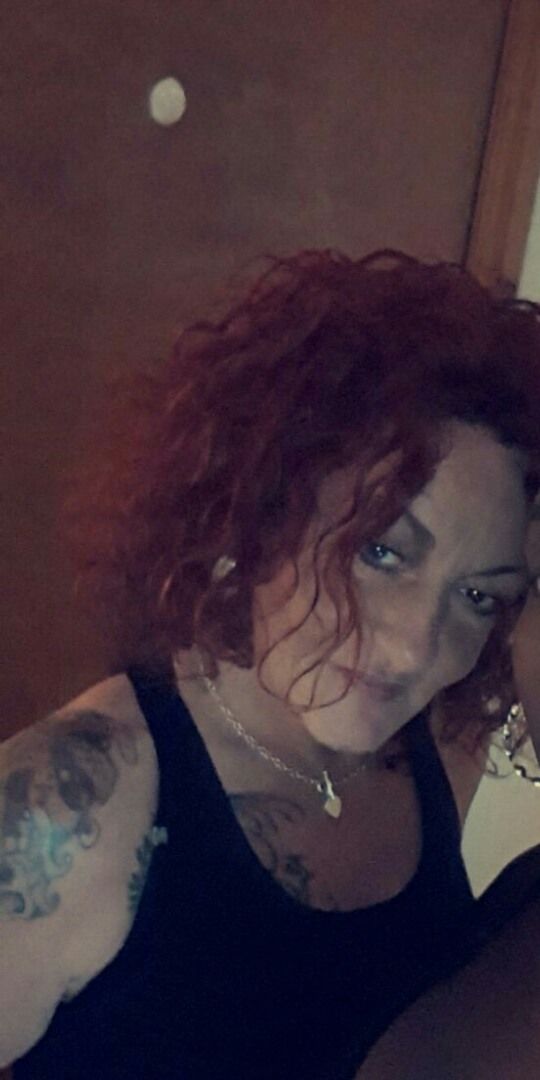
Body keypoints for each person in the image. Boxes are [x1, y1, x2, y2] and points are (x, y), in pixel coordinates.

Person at [2, 248, 540, 1080]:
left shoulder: (427, 751)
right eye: (381, 551)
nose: (414, 645)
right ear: (257, 504)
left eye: (477, 596)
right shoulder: (68, 810)